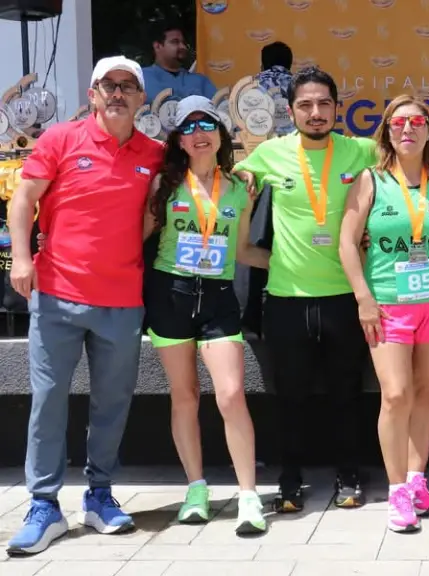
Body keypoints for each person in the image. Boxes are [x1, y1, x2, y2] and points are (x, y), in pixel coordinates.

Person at [5, 56, 164, 555]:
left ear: (141, 98)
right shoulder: (60, 140)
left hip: (122, 299)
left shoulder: (156, 154)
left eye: (128, 86)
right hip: (56, 295)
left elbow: (172, 203)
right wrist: (22, 258)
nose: (117, 93)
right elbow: (23, 199)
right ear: (93, 94)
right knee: (48, 403)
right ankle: (44, 505)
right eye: (108, 85)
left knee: (112, 404)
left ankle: (99, 496)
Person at [233, 66, 375, 513]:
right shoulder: (270, 154)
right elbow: (230, 175)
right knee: (288, 397)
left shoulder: (362, 151)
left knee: (346, 395)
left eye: (324, 104)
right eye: (305, 105)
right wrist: (246, 184)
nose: (316, 113)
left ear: (338, 107)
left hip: (344, 297)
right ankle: (289, 480)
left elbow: (423, 160)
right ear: (290, 111)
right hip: (286, 299)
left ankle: (348, 475)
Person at [339, 94, 429, 532]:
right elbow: (346, 243)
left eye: (416, 121)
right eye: (398, 123)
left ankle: (416, 480)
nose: (407, 129)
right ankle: (396, 492)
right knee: (395, 395)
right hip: (389, 305)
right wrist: (363, 298)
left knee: (426, 391)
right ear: (387, 131)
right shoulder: (370, 180)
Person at [143, 96, 268, 534]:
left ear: (221, 135)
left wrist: (291, 260)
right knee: (185, 395)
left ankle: (248, 495)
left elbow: (243, 252)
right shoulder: (162, 184)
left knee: (231, 394)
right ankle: (196, 488)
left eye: (207, 125)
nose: (199, 134)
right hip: (170, 293)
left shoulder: (239, 187)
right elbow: (136, 240)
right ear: (178, 139)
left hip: (217, 296)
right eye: (190, 128)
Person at [142, 23, 217, 105]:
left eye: (183, 43)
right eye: (175, 42)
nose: (183, 47)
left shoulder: (201, 81)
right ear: (157, 46)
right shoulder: (141, 78)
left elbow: (219, 109)